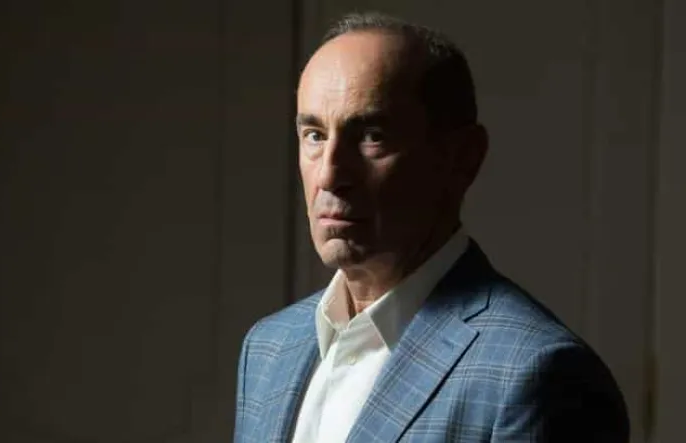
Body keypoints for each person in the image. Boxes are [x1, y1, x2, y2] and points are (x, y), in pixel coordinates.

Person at [234, 12, 629, 443]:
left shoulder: (538, 375)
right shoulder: (269, 347)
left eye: (372, 135)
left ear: (463, 158)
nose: (329, 174)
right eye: (314, 135)